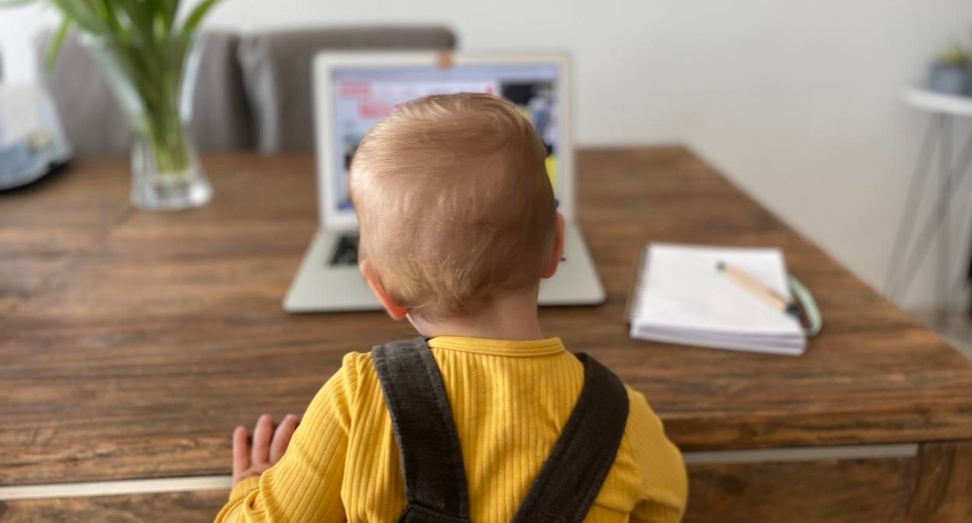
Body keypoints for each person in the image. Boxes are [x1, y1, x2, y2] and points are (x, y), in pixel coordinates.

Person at [214, 93, 687, 523]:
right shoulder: (620, 417)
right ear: (556, 246)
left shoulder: (356, 399)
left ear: (382, 289)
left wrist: (251, 486)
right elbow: (666, 505)